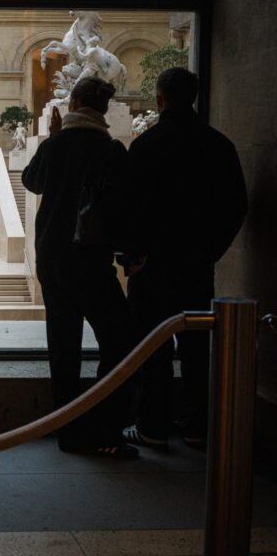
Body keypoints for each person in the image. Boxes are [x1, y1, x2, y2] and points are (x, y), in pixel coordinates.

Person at [122, 68, 248, 449]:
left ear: (160, 100)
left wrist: (134, 256)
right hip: (195, 265)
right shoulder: (219, 145)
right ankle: (195, 426)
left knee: (152, 349)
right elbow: (237, 206)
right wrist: (211, 251)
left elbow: (129, 211)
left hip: (153, 267)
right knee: (196, 349)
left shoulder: (145, 147)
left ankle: (153, 427)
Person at [22, 76, 136, 457]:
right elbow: (122, 210)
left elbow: (31, 181)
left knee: (63, 348)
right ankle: (106, 427)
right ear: (103, 110)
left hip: (53, 262)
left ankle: (69, 432)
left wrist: (51, 138)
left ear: (71, 104)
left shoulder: (55, 145)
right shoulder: (110, 150)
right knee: (120, 342)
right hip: (90, 261)